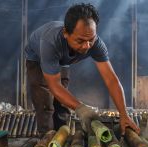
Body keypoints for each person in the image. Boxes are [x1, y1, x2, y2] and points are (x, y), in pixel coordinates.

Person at [25, 3, 140, 136]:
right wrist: (81, 108)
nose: (86, 46)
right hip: (37, 59)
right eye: (80, 41)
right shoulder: (50, 42)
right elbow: (54, 86)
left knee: (62, 104)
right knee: (45, 103)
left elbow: (111, 80)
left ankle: (61, 136)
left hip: (62, 59)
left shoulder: (96, 44)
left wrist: (124, 114)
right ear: (65, 33)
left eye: (91, 40)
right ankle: (45, 138)